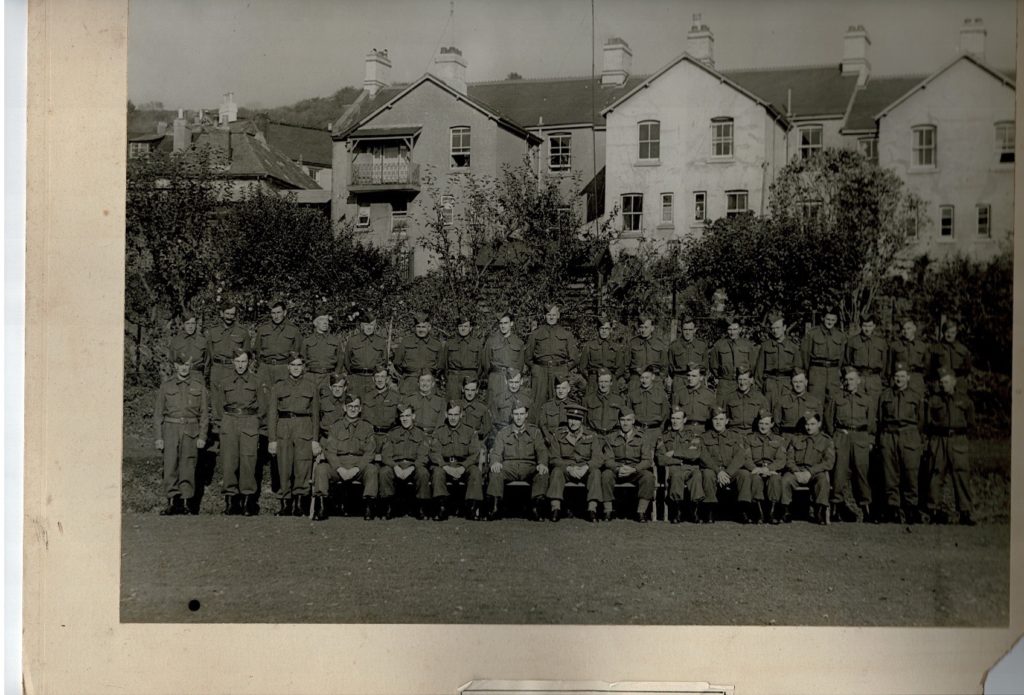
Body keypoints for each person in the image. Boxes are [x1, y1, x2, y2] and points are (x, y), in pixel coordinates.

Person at [153, 352, 209, 515]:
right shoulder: (166, 386)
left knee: (188, 466)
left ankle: (186, 503)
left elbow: (204, 415)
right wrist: (158, 437)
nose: (183, 368)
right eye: (180, 365)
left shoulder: (199, 387)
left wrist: (202, 436)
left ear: (190, 366)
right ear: (175, 366)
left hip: (191, 430)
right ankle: (172, 502)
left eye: (186, 365)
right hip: (170, 429)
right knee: (170, 465)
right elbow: (158, 414)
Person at [211, 348, 265, 516]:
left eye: (243, 361)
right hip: (229, 422)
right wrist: (222, 425)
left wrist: (256, 424)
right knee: (229, 462)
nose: (241, 365)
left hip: (249, 422)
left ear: (248, 362)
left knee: (248, 462)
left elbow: (263, 407)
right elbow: (218, 405)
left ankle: (248, 502)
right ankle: (230, 502)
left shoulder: (257, 381)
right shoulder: (225, 381)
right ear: (233, 362)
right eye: (237, 362)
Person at [267, 352, 321, 517]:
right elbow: (272, 415)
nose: (296, 368)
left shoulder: (311, 387)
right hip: (283, 427)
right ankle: (285, 504)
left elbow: (315, 415)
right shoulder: (278, 387)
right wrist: (272, 439)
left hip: (304, 427)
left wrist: (314, 440)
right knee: (284, 466)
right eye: (293, 365)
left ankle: (300, 505)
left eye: (299, 365)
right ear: (288, 367)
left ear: (303, 367)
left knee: (302, 467)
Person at [923, 368, 977, 526]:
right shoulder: (934, 400)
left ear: (953, 382)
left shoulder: (965, 401)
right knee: (936, 473)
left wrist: (965, 438)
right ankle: (933, 510)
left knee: (961, 475)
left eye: (946, 382)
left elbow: (971, 423)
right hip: (939, 440)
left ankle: (965, 512)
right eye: (941, 382)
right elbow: (927, 422)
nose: (943, 385)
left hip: (958, 440)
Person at [877, 361, 927, 524]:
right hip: (889, 435)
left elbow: (921, 420)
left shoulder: (915, 396)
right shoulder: (885, 395)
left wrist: (915, 437)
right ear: (893, 378)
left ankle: (911, 508)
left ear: (908, 378)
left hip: (909, 434)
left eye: (902, 376)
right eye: (896, 376)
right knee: (890, 473)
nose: (899, 379)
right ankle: (893, 508)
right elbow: (880, 418)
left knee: (911, 472)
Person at [824, 367, 876, 522]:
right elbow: (828, 420)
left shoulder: (867, 400)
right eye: (846, 379)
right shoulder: (836, 398)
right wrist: (834, 437)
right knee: (839, 474)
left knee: (862, 474)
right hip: (842, 436)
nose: (849, 382)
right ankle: (836, 508)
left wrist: (870, 441)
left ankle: (866, 509)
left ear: (859, 381)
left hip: (860, 438)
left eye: (852, 379)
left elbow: (872, 423)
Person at [314, 394, 378, 521]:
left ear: (360, 409)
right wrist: (339, 468)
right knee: (321, 469)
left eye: (356, 406)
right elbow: (330, 451)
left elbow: (370, 452)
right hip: (339, 465)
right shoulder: (335, 427)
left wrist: (357, 469)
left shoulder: (367, 427)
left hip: (359, 465)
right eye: (350, 406)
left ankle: (368, 508)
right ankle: (321, 507)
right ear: (344, 408)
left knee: (372, 470)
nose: (353, 409)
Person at [486, 400, 549, 521]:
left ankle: (537, 508)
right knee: (495, 472)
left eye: (521, 414)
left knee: (542, 473)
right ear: (512, 415)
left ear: (526, 415)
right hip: (509, 467)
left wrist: (542, 463)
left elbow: (542, 451)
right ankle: (494, 508)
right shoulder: (503, 433)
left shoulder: (535, 433)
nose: (519, 417)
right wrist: (495, 462)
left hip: (528, 466)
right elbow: (496, 452)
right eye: (516, 414)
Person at [545, 403, 604, 522]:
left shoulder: (591, 435)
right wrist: (568, 468)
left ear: (581, 420)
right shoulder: (558, 434)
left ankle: (592, 509)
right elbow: (554, 458)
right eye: (571, 418)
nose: (573, 422)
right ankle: (555, 509)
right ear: (567, 419)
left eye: (577, 419)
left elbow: (598, 458)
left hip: (584, 469)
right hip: (566, 469)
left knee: (596, 472)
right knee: (556, 471)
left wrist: (586, 467)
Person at [429, 401, 485, 521]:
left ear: (461, 415)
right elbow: (435, 453)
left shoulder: (470, 432)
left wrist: (463, 467)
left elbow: (474, 454)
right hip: (445, 464)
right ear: (446, 414)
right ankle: (441, 508)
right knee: (437, 472)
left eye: (455, 415)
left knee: (475, 472)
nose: (453, 418)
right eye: (450, 414)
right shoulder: (439, 432)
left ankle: (472, 508)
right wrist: (445, 467)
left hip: (464, 465)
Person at [601, 406, 656, 522]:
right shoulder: (610, 438)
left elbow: (647, 460)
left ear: (633, 421)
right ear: (619, 421)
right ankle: (608, 511)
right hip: (617, 471)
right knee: (606, 475)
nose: (625, 423)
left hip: (635, 471)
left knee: (648, 477)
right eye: (622, 420)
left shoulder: (643, 437)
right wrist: (618, 468)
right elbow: (608, 460)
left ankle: (641, 512)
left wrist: (634, 469)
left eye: (628, 420)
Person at [779, 409, 835, 525]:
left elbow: (828, 462)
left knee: (823, 480)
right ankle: (786, 511)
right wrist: (796, 471)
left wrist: (810, 472)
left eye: (812, 424)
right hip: (797, 471)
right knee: (785, 480)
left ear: (819, 424)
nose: (809, 427)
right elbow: (789, 459)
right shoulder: (796, 439)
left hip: (815, 472)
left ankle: (819, 511)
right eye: (807, 424)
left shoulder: (826, 441)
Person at [379, 403, 431, 519]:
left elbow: (423, 456)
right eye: (402, 416)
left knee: (423, 473)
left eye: (407, 416)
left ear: (413, 416)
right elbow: (386, 455)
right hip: (396, 465)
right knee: (384, 472)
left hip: (414, 465)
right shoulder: (393, 433)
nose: (405, 419)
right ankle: (388, 508)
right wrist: (395, 467)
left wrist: (412, 467)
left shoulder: (421, 434)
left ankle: (421, 508)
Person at [697, 406, 748, 524]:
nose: (718, 422)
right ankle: (710, 510)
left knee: (744, 474)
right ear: (711, 421)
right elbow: (704, 456)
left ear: (727, 421)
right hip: (714, 471)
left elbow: (740, 456)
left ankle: (744, 510)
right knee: (707, 474)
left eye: (721, 419)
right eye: (715, 419)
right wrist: (718, 471)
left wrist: (728, 472)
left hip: (730, 471)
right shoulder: (704, 437)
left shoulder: (735, 436)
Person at [655, 407, 704, 523]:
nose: (675, 421)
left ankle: (695, 511)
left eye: (678, 418)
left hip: (691, 468)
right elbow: (660, 459)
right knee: (676, 476)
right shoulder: (663, 437)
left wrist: (674, 453)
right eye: (673, 418)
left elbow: (695, 454)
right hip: (674, 469)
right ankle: (677, 512)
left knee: (697, 475)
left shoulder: (693, 436)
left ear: (684, 420)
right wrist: (679, 461)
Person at [525, 303, 579, 409]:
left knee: (558, 399)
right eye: (549, 315)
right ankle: (537, 424)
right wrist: (536, 369)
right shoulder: (536, 334)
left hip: (559, 370)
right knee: (538, 401)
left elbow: (574, 358)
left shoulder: (566, 334)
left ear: (558, 316)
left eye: (554, 315)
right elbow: (528, 356)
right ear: (545, 316)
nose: (551, 317)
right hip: (540, 371)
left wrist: (564, 368)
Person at [745, 409, 786, 524]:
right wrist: (755, 469)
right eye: (761, 423)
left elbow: (781, 459)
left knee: (775, 479)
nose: (763, 426)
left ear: (772, 424)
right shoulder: (749, 439)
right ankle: (759, 513)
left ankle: (772, 513)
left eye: (767, 424)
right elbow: (746, 457)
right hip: (755, 469)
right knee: (755, 479)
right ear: (758, 423)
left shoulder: (779, 440)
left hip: (772, 470)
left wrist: (769, 469)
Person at [254, 300, 304, 390]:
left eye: (278, 312)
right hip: (265, 368)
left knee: (284, 396)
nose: (276, 316)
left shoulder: (293, 330)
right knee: (264, 396)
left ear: (284, 313)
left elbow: (298, 352)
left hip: (283, 369)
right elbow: (257, 350)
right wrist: (261, 366)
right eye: (273, 313)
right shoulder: (263, 329)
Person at [392, 311, 444, 397]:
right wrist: (409, 373)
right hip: (409, 382)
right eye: (418, 327)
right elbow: (397, 363)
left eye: (423, 327)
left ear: (429, 327)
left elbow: (440, 366)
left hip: (428, 383)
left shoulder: (436, 344)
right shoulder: (406, 341)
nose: (421, 329)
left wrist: (429, 375)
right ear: (415, 328)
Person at [482, 310, 526, 408]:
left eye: (506, 323)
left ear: (511, 323)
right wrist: (492, 377)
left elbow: (520, 365)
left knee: (510, 407)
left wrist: (514, 379)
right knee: (493, 407)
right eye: (501, 323)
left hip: (511, 380)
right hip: (495, 379)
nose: (503, 326)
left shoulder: (518, 342)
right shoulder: (491, 341)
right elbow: (486, 363)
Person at [754, 312, 799, 405]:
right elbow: (759, 371)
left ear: (785, 327)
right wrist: (759, 390)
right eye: (773, 328)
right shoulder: (765, 346)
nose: (775, 331)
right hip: (770, 385)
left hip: (787, 385)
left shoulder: (793, 347)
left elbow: (798, 371)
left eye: (778, 328)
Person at [343, 311, 389, 399]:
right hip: (356, 379)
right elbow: (346, 361)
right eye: (366, 325)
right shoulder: (353, 341)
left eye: (371, 325)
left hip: (373, 380)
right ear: (361, 326)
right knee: (355, 404)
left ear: (375, 326)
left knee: (372, 406)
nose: (369, 328)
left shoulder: (381, 342)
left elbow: (384, 362)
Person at [802, 307, 845, 399]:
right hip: (816, 372)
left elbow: (842, 355)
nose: (830, 322)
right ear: (822, 318)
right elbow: (805, 354)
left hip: (833, 373)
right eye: (828, 319)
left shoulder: (840, 335)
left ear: (836, 320)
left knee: (833, 400)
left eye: (833, 320)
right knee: (815, 400)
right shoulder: (812, 333)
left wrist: (838, 370)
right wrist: (807, 372)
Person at [206, 302, 251, 390]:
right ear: (221, 313)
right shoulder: (213, 331)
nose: (229, 317)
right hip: (217, 371)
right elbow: (209, 355)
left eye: (232, 314)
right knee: (216, 401)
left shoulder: (242, 332)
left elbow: (247, 354)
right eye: (227, 313)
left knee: (233, 400)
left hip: (233, 370)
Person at [844, 314, 888, 402]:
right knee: (858, 406)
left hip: (874, 379)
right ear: (861, 326)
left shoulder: (881, 342)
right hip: (858, 379)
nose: (867, 329)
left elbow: (885, 363)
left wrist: (881, 379)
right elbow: (847, 361)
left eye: (870, 326)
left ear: (874, 326)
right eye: (864, 326)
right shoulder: (852, 341)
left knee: (874, 406)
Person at [578, 315, 625, 396]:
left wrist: (611, 378)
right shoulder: (589, 345)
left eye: (606, 329)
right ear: (598, 330)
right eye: (601, 329)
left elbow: (621, 368)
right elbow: (582, 366)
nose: (604, 331)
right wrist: (591, 378)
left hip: (610, 381)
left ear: (610, 330)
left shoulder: (616, 347)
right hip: (593, 381)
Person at [772, 367, 823, 442]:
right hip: (786, 440)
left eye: (801, 382)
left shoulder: (815, 402)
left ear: (806, 382)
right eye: (795, 382)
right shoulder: (782, 401)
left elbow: (819, 425)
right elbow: (776, 425)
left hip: (807, 440)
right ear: (791, 383)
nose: (798, 385)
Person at [627, 364, 670, 450]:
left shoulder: (661, 394)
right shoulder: (633, 394)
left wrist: (660, 430)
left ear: (653, 377)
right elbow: (629, 412)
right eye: (642, 378)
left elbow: (665, 413)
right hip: (638, 430)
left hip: (655, 431)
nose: (644, 380)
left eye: (647, 378)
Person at [582, 367, 628, 448]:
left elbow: (623, 422)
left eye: (606, 382)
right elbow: (584, 423)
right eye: (601, 382)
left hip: (613, 438)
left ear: (611, 383)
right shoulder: (588, 400)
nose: (603, 385)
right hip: (594, 438)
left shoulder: (619, 401)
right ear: (597, 383)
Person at [442, 314, 484, 402]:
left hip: (471, 378)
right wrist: (450, 379)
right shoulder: (450, 343)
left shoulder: (477, 344)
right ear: (457, 327)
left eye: (466, 326)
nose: (463, 328)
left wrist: (474, 378)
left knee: (470, 407)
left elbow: (481, 365)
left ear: (471, 328)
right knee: (453, 406)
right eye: (461, 326)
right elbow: (444, 364)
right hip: (453, 379)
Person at [710, 317, 756, 394]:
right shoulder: (719, 344)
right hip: (725, 383)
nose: (732, 332)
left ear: (740, 329)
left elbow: (753, 364)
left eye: (735, 329)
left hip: (743, 383)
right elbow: (713, 365)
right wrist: (720, 377)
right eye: (729, 329)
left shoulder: (748, 345)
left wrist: (748, 377)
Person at [671, 361, 717, 437]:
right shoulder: (679, 393)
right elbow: (674, 417)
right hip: (684, 433)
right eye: (688, 375)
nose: (690, 378)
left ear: (701, 377)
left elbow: (714, 417)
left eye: (694, 376)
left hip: (703, 432)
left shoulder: (709, 394)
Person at [719, 363, 769, 434]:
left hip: (753, 434)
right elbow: (723, 419)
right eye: (740, 379)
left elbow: (766, 420)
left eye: (745, 379)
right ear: (736, 380)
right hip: (734, 434)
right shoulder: (729, 398)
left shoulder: (760, 398)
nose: (742, 383)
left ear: (751, 380)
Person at [667, 315, 710, 397]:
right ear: (681, 329)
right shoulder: (674, 346)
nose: (687, 332)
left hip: (697, 382)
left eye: (690, 330)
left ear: (694, 330)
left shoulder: (701, 345)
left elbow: (705, 366)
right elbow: (670, 367)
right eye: (685, 329)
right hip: (680, 381)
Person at [361, 364, 399, 453]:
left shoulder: (395, 397)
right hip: (370, 437)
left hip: (388, 438)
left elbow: (399, 422)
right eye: (377, 376)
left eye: (382, 376)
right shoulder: (366, 397)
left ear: (387, 379)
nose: (380, 380)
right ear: (373, 379)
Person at [928, 319, 972, 393]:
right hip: (941, 386)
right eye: (947, 332)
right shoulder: (934, 349)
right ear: (943, 332)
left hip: (959, 387)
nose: (949, 335)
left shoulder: (963, 350)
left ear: (956, 333)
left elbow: (968, 369)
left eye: (952, 333)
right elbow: (929, 370)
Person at [625, 314, 667, 392]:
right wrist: (630, 380)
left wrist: (659, 379)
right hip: (636, 380)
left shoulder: (659, 344)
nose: (643, 330)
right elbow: (625, 365)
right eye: (641, 327)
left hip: (655, 381)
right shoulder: (633, 343)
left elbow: (665, 366)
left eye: (646, 327)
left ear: (652, 328)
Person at [302, 312, 343, 391]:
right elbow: (302, 361)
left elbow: (340, 361)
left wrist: (335, 376)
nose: (325, 322)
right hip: (311, 377)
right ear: (315, 323)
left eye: (327, 320)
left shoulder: (335, 341)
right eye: (321, 320)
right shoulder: (307, 341)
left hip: (328, 377)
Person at [888, 318, 928, 398]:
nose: (906, 331)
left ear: (914, 329)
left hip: (916, 380)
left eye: (908, 328)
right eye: (903, 329)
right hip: (900, 380)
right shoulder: (895, 346)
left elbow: (927, 367)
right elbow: (889, 366)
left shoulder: (922, 346)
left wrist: (921, 380)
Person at [489, 367, 534, 433]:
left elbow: (531, 421)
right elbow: (493, 421)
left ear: (521, 381)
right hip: (502, 433)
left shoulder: (527, 399)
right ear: (506, 381)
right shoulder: (498, 399)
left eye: (516, 382)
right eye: (511, 382)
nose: (514, 385)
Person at [167, 311, 208, 378]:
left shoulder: (203, 341)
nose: (190, 326)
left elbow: (207, 362)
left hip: (197, 376)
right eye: (187, 323)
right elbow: (171, 361)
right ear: (183, 324)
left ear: (196, 324)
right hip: (180, 376)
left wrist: (204, 376)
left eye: (193, 323)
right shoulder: (176, 340)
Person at [406, 370, 446, 435]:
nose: (424, 384)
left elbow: (441, 422)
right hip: (414, 436)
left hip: (434, 436)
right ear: (418, 383)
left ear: (433, 384)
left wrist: (435, 435)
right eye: (422, 380)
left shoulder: (440, 401)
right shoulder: (410, 400)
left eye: (428, 381)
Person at [456, 376, 493, 444]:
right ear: (463, 389)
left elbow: (487, 430)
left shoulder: (482, 408)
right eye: (467, 389)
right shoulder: (456, 406)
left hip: (475, 445)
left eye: (472, 390)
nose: (470, 393)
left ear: (477, 391)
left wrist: (479, 444)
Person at [538, 375, 574, 440]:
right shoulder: (547, 406)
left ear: (568, 389)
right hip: (551, 440)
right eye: (558, 388)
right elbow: (542, 425)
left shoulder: (574, 406)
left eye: (563, 388)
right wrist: (550, 439)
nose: (560, 391)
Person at [318, 372, 350, 442]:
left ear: (345, 388)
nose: (337, 389)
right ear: (330, 387)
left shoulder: (350, 402)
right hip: (326, 440)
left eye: (340, 387)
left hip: (345, 441)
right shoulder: (322, 402)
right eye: (334, 386)